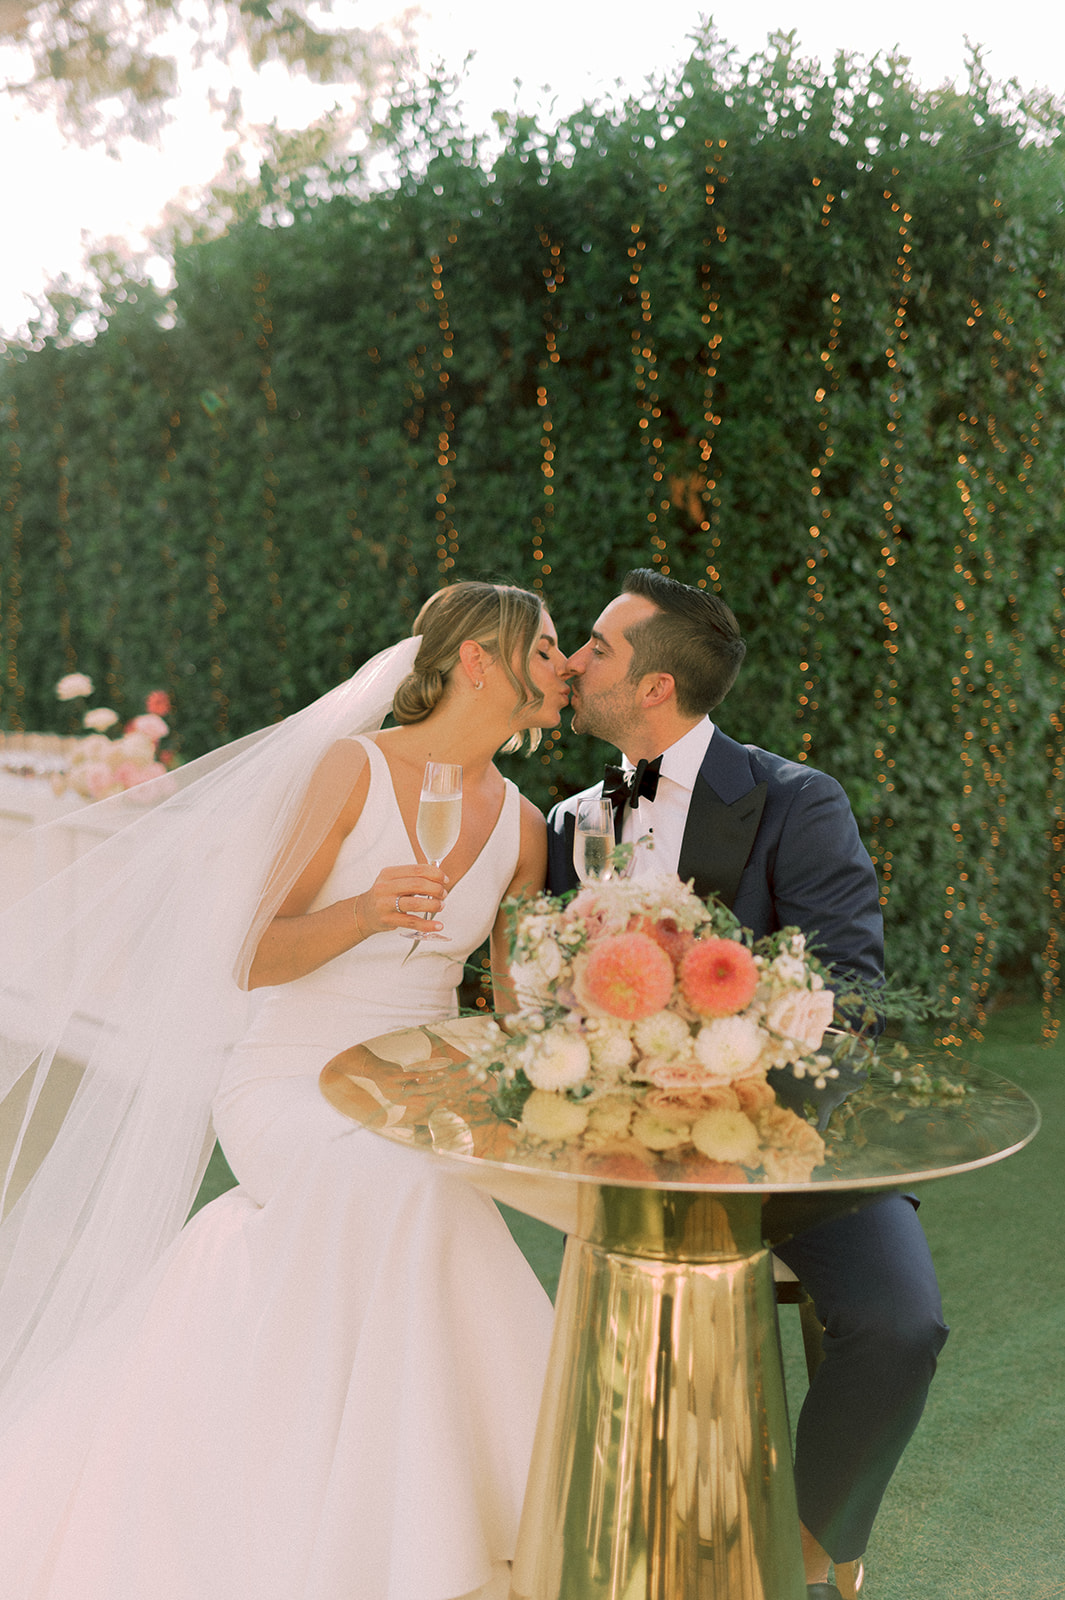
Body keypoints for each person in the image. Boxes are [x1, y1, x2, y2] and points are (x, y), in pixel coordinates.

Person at [0, 580, 571, 1600]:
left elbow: (513, 998)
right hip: (288, 1077)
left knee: (418, 1187)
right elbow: (251, 956)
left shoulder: (524, 829)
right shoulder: (352, 771)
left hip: (414, 1089)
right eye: (547, 649)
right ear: (480, 659)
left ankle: (421, 1513)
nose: (562, 669)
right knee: (412, 1193)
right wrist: (361, 909)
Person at [547, 568, 949, 1600]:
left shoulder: (797, 800)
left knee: (903, 1324)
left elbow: (849, 992)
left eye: (596, 644)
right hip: (618, 1154)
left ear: (652, 687)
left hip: (781, 1137)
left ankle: (812, 1554)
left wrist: (733, 1082)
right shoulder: (564, 823)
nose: (574, 660)